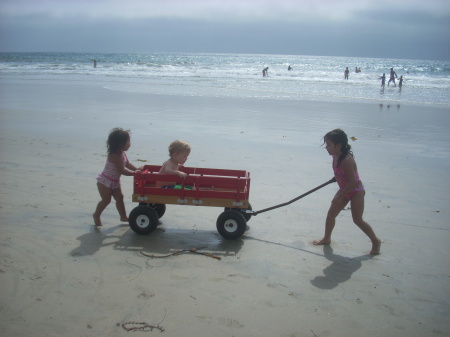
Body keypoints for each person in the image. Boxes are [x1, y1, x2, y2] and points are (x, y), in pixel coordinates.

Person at [313, 129, 381, 255]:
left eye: (328, 145)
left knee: (357, 220)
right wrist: (337, 179)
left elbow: (353, 182)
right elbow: (342, 174)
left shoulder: (346, 160)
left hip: (356, 191)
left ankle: (375, 241)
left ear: (338, 146)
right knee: (331, 214)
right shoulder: (335, 156)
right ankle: (326, 238)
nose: (326, 148)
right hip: (344, 189)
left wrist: (340, 196)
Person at [93, 128, 142, 226]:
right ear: (120, 144)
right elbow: (122, 170)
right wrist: (134, 174)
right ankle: (96, 215)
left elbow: (127, 164)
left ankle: (123, 217)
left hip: (115, 181)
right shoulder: (115, 156)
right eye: (128, 142)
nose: (130, 144)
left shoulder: (122, 153)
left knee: (120, 197)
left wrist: (137, 170)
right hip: (105, 182)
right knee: (106, 200)